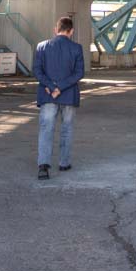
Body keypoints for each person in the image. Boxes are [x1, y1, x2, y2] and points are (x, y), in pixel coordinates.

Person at [33, 16, 84, 180]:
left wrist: (52, 87)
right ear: (71, 31)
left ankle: (43, 166)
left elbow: (37, 71)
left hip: (48, 95)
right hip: (68, 95)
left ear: (56, 29)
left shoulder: (42, 46)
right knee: (66, 129)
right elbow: (79, 73)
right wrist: (60, 87)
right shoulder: (77, 48)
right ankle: (64, 162)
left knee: (46, 129)